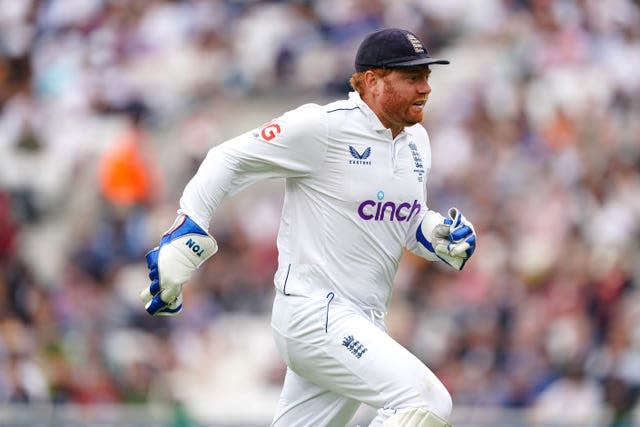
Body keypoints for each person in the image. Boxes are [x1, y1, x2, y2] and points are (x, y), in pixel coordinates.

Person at [140, 28, 477, 427]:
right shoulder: (323, 128)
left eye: (426, 77)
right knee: (425, 402)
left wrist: (435, 234)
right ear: (372, 82)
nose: (424, 88)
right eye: (411, 78)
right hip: (314, 313)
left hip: (363, 319)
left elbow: (402, 218)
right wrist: (187, 227)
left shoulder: (416, 141)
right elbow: (227, 158)